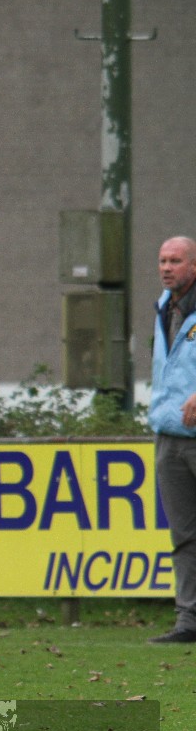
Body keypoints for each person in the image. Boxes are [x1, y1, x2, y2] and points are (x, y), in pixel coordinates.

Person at [148, 236, 196, 644]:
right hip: (169, 434)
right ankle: (188, 621)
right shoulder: (164, 307)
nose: (166, 268)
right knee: (183, 534)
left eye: (175, 261)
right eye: (163, 260)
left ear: (194, 266)